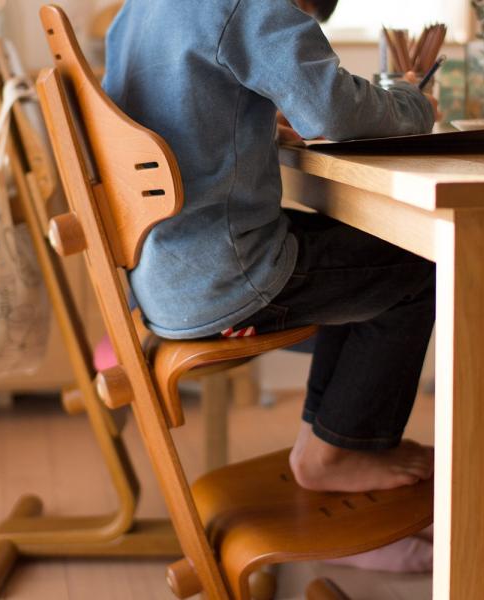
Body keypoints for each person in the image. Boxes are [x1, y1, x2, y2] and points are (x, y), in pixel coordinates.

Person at [103, 0, 437, 496]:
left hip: (162, 277)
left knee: (365, 256)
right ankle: (339, 452)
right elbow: (334, 110)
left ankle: (330, 442)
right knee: (423, 263)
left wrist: (253, 118)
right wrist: (413, 102)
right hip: (225, 278)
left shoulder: (134, 13)